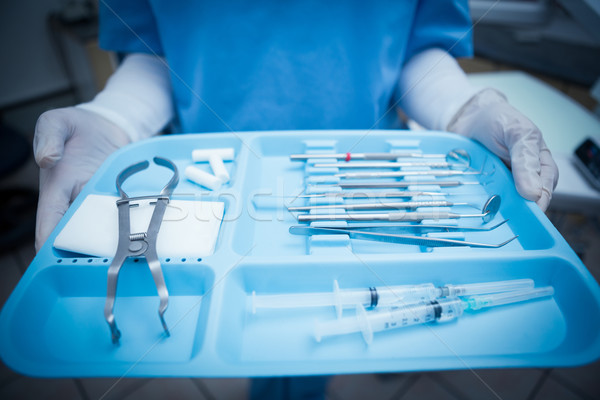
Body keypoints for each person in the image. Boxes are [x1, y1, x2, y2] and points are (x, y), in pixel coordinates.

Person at [33, 1, 558, 396]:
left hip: (362, 176)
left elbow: (417, 49)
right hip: (219, 187)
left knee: (311, 354)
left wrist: (464, 109)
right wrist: (115, 117)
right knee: (261, 347)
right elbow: (155, 54)